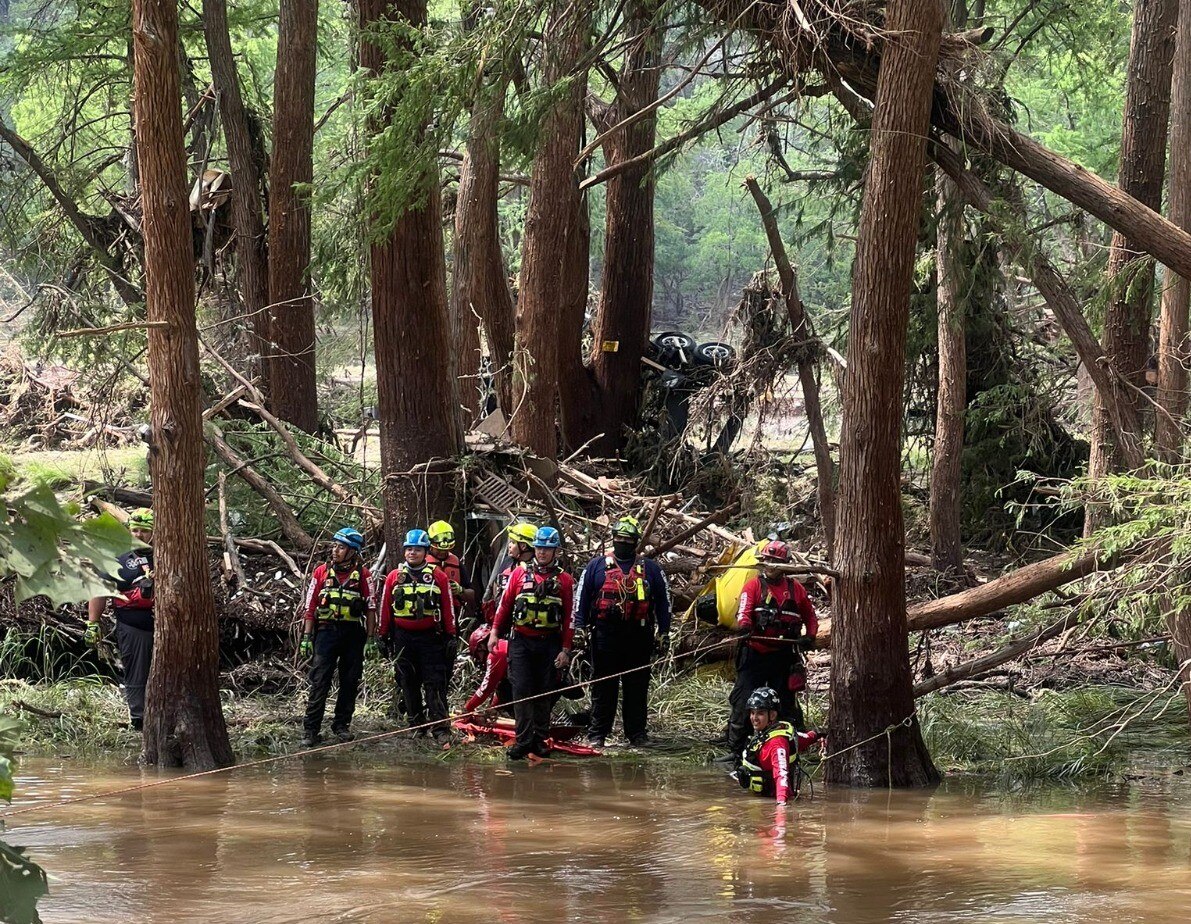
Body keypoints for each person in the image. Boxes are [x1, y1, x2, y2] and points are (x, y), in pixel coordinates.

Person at [574, 515, 671, 748]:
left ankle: (636, 734)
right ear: (613, 539)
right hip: (605, 635)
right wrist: (578, 628)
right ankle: (597, 734)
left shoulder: (651, 569)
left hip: (638, 636)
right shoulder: (595, 567)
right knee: (603, 686)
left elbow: (664, 602)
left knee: (636, 687)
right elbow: (582, 599)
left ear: (636, 542)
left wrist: (664, 632)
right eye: (619, 538)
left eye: (628, 539)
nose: (623, 543)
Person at [726, 539, 818, 758]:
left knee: (785, 704)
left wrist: (810, 637)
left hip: (783, 656)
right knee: (743, 701)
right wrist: (745, 627)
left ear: (785, 565)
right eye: (767, 561)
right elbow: (744, 612)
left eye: (775, 562)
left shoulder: (796, 589)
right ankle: (736, 751)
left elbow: (810, 616)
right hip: (755, 652)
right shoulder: (753, 586)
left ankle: (788, 748)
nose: (770, 565)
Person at [490, 526, 575, 759]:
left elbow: (569, 618)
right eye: (539, 548)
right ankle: (523, 740)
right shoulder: (519, 574)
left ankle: (539, 740)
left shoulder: (565, 580)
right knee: (521, 690)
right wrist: (495, 632)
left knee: (543, 692)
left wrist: (566, 649)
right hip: (521, 642)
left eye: (547, 549)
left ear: (555, 551)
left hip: (549, 643)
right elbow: (505, 605)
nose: (542, 553)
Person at [298, 527, 376, 747]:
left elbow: (371, 607)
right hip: (325, 633)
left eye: (341, 547)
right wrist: (306, 637)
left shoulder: (364, 574)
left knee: (350, 681)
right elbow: (310, 606)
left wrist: (371, 639)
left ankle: (341, 726)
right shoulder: (320, 572)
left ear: (353, 551)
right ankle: (311, 730)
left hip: (353, 634)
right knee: (319, 681)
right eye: (334, 546)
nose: (335, 550)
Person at [380, 528, 456, 746]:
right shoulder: (394, 577)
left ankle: (440, 727)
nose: (412, 553)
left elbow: (448, 607)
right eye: (409, 549)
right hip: (403, 637)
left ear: (425, 552)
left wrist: (451, 635)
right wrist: (382, 635)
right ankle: (416, 725)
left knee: (435, 683)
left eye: (417, 550)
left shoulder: (437, 576)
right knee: (407, 681)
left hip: (431, 638)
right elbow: (386, 608)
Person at [85, 508, 157, 730]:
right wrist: (92, 623)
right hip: (132, 624)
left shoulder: (167, 552)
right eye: (134, 530)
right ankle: (139, 719)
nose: (139, 535)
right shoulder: (118, 557)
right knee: (136, 670)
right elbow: (99, 590)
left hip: (169, 624)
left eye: (144, 531)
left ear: (154, 531)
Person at [735, 687, 797, 805]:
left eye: (760, 713)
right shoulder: (764, 735)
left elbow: (782, 775)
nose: (754, 718)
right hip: (759, 800)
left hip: (772, 801)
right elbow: (802, 738)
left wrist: (781, 806)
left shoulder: (777, 744)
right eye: (752, 713)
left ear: (773, 715)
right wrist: (817, 736)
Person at [481, 521, 538, 625]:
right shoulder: (508, 562)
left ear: (523, 546)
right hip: (502, 619)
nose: (509, 545)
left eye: (512, 542)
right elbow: (495, 586)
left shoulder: (537, 569)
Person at [463, 624, 510, 715]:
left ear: (481, 647)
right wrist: (492, 708)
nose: (480, 659)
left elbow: (486, 688)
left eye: (477, 655)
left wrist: (468, 708)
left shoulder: (495, 653)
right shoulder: (502, 645)